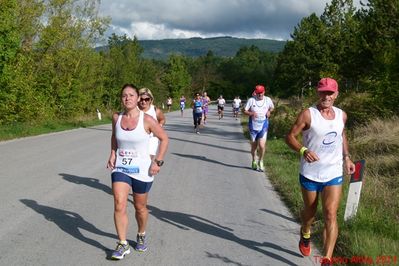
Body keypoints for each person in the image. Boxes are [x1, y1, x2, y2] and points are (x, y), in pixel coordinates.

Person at [285, 78, 355, 265]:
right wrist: (303, 150)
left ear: (336, 94)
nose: (326, 96)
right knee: (310, 213)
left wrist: (347, 157)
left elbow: (342, 135)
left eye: (330, 93)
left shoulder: (342, 115)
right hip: (310, 173)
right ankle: (305, 232)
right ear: (318, 93)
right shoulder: (308, 115)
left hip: (333, 172)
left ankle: (327, 258)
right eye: (323, 92)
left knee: (331, 214)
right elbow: (290, 136)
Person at [107, 84, 169, 260]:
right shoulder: (116, 118)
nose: (127, 98)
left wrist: (158, 161)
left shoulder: (147, 120)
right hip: (121, 167)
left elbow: (164, 139)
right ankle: (122, 243)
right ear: (121, 98)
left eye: (131, 95)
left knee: (140, 207)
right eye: (124, 95)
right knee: (119, 202)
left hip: (142, 169)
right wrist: (112, 153)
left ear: (137, 99)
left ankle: (141, 234)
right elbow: (114, 136)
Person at [243, 85, 274, 172]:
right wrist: (251, 113)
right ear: (255, 92)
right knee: (254, 146)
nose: (259, 94)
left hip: (263, 126)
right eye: (258, 93)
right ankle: (253, 160)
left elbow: (272, 107)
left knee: (262, 145)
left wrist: (269, 111)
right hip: (253, 127)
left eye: (261, 92)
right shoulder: (251, 100)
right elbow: (244, 110)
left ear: (264, 92)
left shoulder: (268, 100)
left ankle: (261, 161)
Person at [138, 88, 166, 159]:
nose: (144, 102)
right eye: (141, 99)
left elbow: (162, 119)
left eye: (147, 99)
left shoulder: (155, 111)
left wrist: (159, 126)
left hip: (151, 139)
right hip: (137, 139)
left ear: (151, 100)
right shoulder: (134, 110)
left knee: (147, 161)